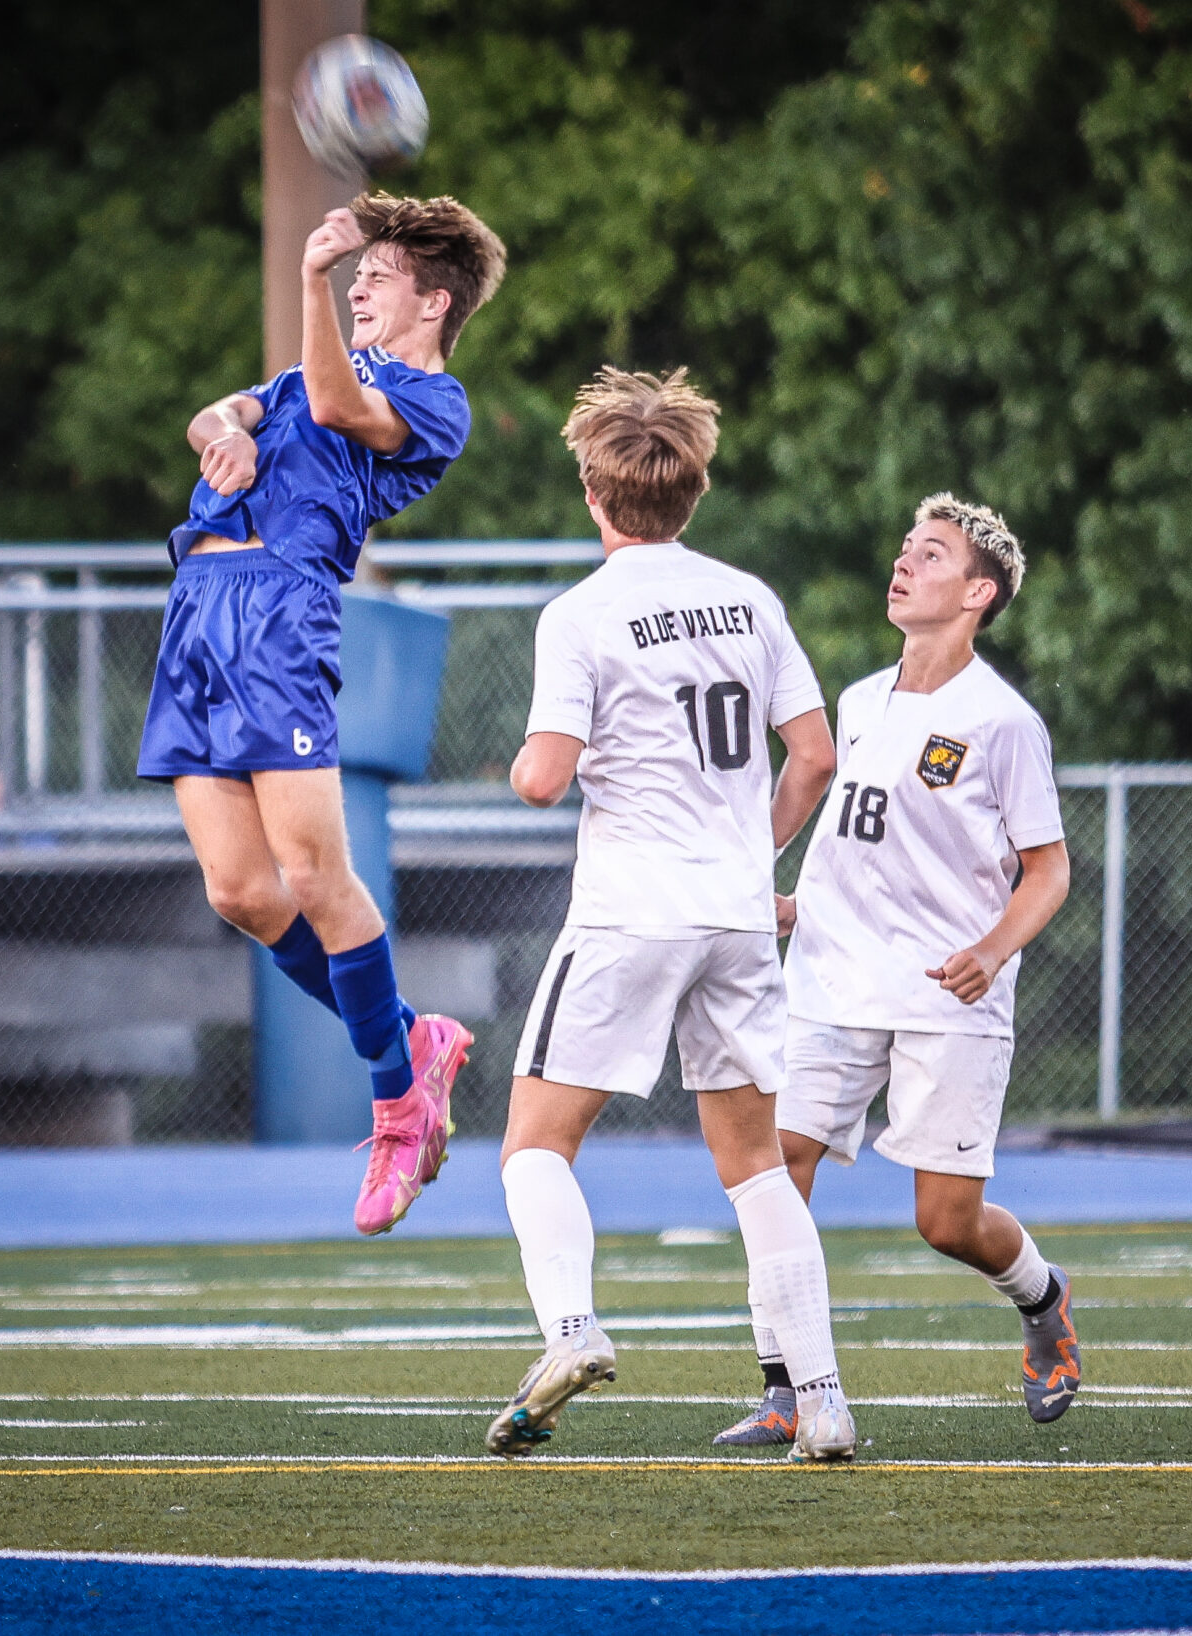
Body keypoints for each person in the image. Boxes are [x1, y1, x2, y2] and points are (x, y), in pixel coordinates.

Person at [493, 366, 859, 1462]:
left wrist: (518, 764)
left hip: (630, 909)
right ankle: (826, 1402)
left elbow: (545, 777)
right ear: (690, 492)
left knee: (531, 1145)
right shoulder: (749, 598)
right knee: (753, 1165)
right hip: (737, 912)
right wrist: (755, 851)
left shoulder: (581, 613)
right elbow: (817, 754)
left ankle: (571, 1330)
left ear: (596, 497)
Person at [137, 192, 507, 1237]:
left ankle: (396, 1103)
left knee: (313, 876)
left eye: (375, 279)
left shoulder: (436, 400)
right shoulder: (304, 373)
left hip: (280, 612)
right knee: (242, 891)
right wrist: (224, 437)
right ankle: (410, 1039)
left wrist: (305, 282)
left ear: (432, 301)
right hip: (198, 612)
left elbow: (342, 410)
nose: (356, 288)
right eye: (350, 280)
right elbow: (220, 411)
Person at [711, 495, 1076, 1449]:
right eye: (906, 547)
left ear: (979, 593)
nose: (905, 563)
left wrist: (993, 950)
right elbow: (850, 842)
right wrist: (797, 905)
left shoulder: (1002, 722)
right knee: (772, 1170)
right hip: (831, 979)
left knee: (946, 1222)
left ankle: (1043, 1298)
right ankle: (785, 1386)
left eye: (933, 554)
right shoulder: (862, 700)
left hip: (946, 991)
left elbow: (1050, 870)